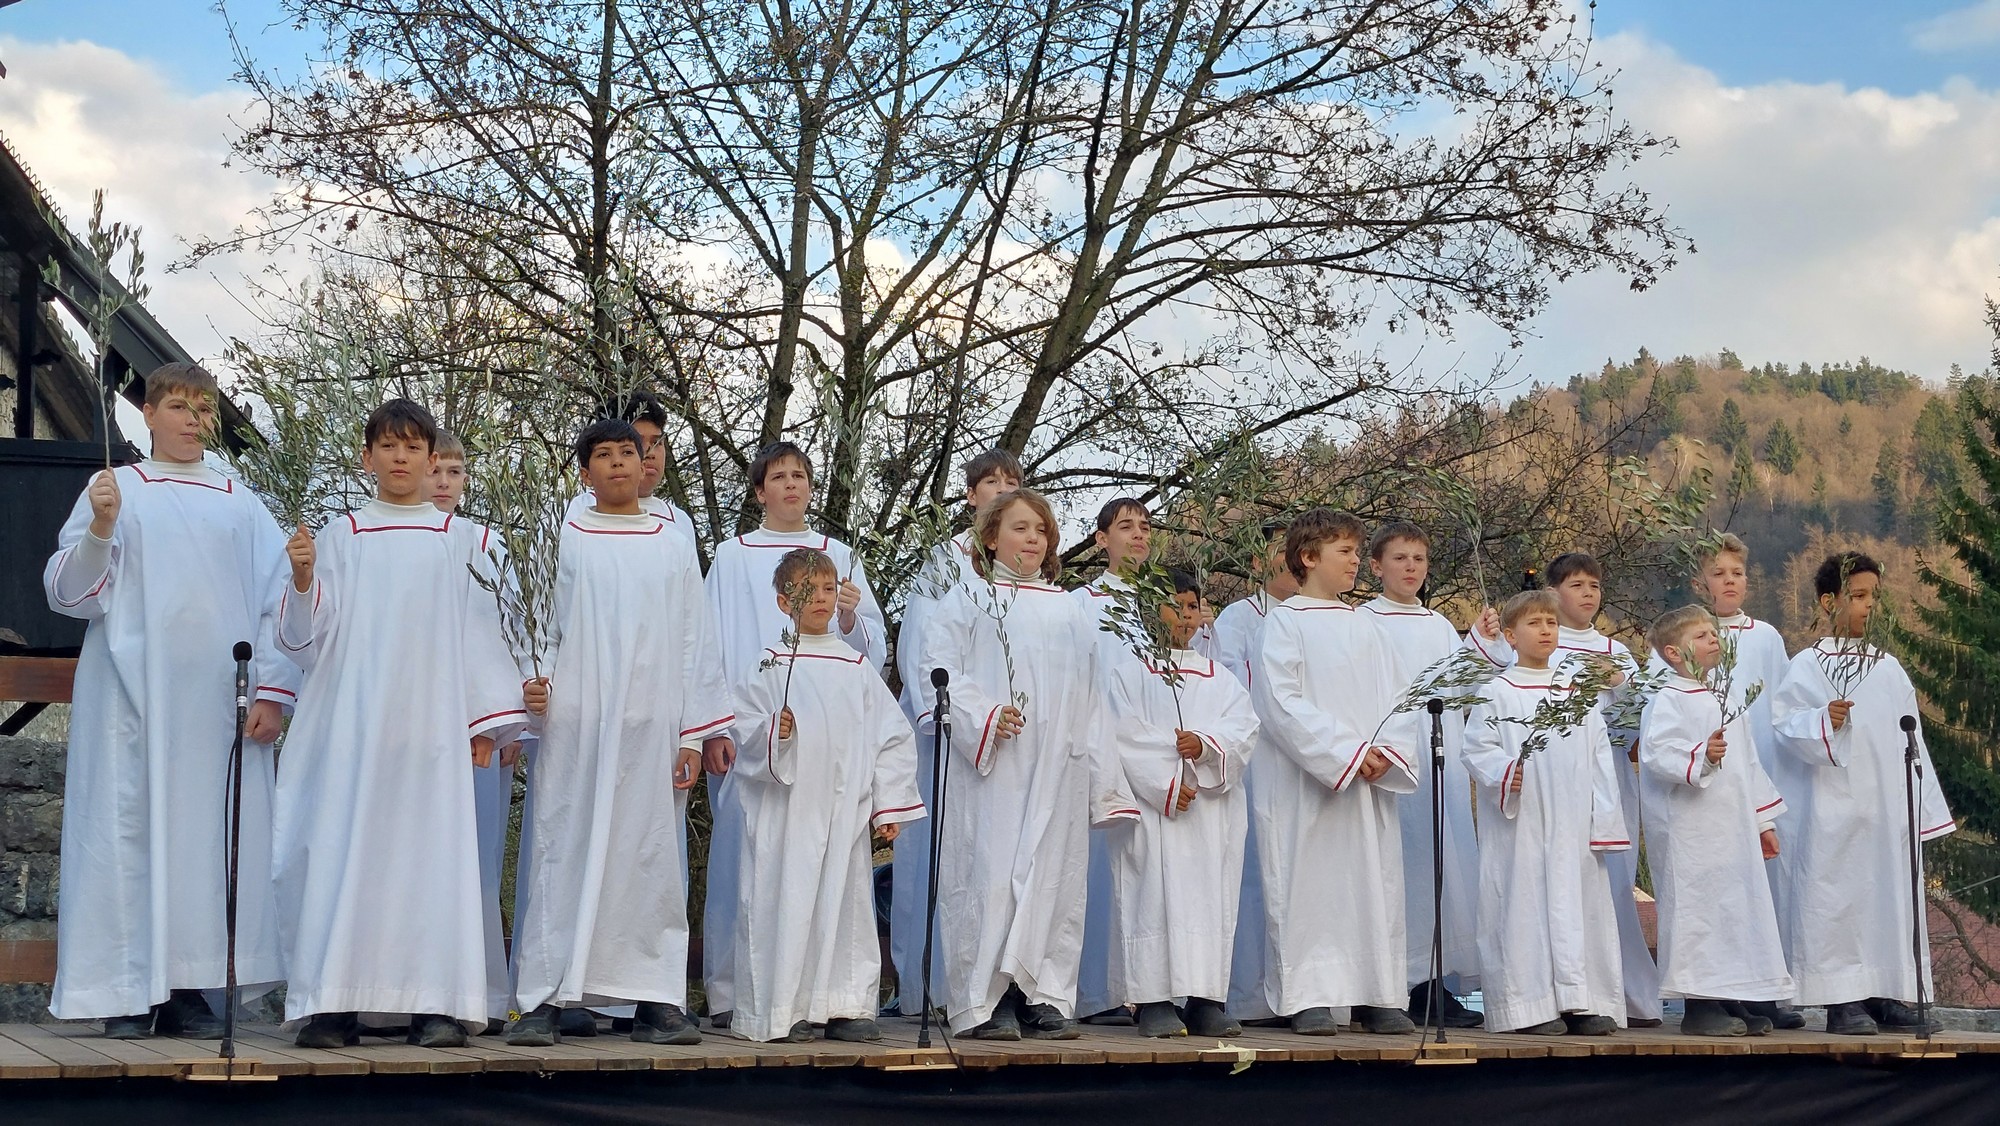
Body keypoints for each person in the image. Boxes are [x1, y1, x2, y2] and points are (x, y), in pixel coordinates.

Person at [42, 362, 298, 1039]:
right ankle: (127, 991)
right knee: (125, 836)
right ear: (149, 414)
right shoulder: (116, 491)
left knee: (204, 843)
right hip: (131, 699)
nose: (193, 420)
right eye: (179, 407)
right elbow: (70, 595)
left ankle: (187, 986)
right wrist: (100, 530)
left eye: (204, 409)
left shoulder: (241, 501)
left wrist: (273, 691)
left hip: (218, 705)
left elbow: (277, 599)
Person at [273, 398, 527, 1049]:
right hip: (353, 729)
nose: (401, 458)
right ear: (367, 458)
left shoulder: (467, 542)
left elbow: (486, 637)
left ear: (431, 457)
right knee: (345, 852)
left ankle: (435, 1002)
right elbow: (303, 643)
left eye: (413, 447)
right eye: (388, 446)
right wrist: (302, 581)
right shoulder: (340, 537)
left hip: (434, 732)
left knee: (431, 862)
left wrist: (484, 724)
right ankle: (334, 1002)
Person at [503, 420, 731, 1047]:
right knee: (563, 847)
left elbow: (695, 638)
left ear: (644, 461)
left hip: (652, 726)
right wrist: (536, 684)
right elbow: (540, 624)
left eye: (628, 452)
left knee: (648, 856)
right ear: (585, 473)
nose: (619, 464)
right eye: (602, 455)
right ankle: (544, 999)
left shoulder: (673, 542)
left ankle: (655, 1000)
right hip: (576, 723)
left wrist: (693, 734)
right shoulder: (562, 538)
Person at [920, 488, 1137, 1039]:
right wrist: (986, 716)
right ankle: (985, 999)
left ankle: (1041, 993)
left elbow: (1092, 697)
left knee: (1052, 878)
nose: (1033, 539)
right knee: (990, 876)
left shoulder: (1069, 610)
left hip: (1058, 768)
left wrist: (1103, 782)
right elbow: (937, 673)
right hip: (996, 768)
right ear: (991, 538)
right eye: (1020, 528)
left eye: (1042, 531)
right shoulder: (969, 600)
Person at [703, 441, 888, 1027]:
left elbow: (870, 652)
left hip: (830, 741)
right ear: (760, 491)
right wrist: (716, 724)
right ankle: (738, 989)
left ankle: (834, 996)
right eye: (778, 476)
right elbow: (710, 641)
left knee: (835, 868)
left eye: (800, 475)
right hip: (757, 728)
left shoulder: (839, 555)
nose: (790, 484)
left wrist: (851, 615)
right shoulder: (732, 556)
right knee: (748, 860)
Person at [732, 548, 925, 1042]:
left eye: (826, 588)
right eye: (806, 589)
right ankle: (784, 1008)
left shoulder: (856, 666)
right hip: (787, 812)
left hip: (843, 812)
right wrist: (775, 732)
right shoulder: (769, 664)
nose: (819, 598)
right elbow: (744, 729)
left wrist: (888, 803)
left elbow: (891, 736)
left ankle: (846, 1004)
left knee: (846, 906)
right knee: (785, 900)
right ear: (784, 602)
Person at [1770, 552, 1954, 1036]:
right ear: (1828, 602)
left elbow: (1910, 737)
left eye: (1874, 596)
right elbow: (1784, 727)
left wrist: (1920, 810)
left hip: (1884, 810)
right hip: (1829, 810)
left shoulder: (1889, 668)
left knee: (1886, 901)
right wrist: (1822, 721)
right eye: (1857, 596)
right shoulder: (1808, 665)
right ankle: (1842, 1000)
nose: (1869, 605)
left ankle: (1884, 993)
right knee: (1834, 900)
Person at [1249, 508, 1417, 1035]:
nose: (1355, 562)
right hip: (1308, 785)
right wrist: (1347, 752)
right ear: (1308, 556)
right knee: (1308, 884)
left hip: (1368, 783)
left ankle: (1376, 993)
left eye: (1356, 551)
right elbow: (1280, 701)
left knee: (1373, 884)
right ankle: (1308, 996)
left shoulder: (1367, 625)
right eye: (1344, 551)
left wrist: (1388, 751)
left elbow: (1402, 698)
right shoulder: (1284, 622)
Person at [889, 447, 1022, 1017]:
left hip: (1008, 736)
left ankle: (1001, 984)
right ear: (971, 496)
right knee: (937, 854)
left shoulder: (1028, 568)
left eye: (1012, 482)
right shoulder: (947, 559)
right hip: (948, 731)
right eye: (992, 483)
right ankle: (930, 987)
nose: (1002, 491)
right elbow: (921, 639)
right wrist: (943, 714)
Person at [1460, 590, 1626, 1036]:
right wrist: (1504, 773)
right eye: (1534, 623)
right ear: (1511, 636)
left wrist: (1604, 820)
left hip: (1573, 824)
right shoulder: (1497, 691)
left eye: (1551, 622)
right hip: (1524, 823)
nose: (1546, 630)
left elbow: (1600, 757)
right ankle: (1528, 1007)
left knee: (1579, 907)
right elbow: (1476, 748)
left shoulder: (1577, 693)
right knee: (1524, 907)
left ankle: (1581, 1001)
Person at [1105, 569, 1259, 1038]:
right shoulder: (1130, 673)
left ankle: (1206, 999)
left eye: (1192, 606)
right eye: (1175, 606)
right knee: (1151, 894)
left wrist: (1207, 746)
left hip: (1211, 813)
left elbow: (1244, 729)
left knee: (1211, 898)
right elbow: (1121, 734)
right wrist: (1168, 781)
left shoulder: (1221, 678)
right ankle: (1152, 1000)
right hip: (1156, 812)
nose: (1185, 616)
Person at [1639, 606, 1792, 1037]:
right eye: (1702, 635)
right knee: (1698, 910)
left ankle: (1729, 994)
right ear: (1673, 652)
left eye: (1714, 633)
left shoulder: (1725, 697)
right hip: (1691, 830)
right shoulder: (1668, 699)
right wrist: (1700, 757)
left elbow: (1749, 763)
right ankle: (1699, 1004)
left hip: (1731, 827)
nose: (1713, 640)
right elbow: (1656, 753)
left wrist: (1763, 821)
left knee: (1734, 907)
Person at [1361, 522, 1483, 1029]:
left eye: (1419, 559)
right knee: (1399, 867)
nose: (1411, 568)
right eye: (1400, 558)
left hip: (1439, 760)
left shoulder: (1438, 625)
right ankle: (1393, 982)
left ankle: (1433, 981)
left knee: (1440, 864)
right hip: (1393, 760)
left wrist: (1483, 646)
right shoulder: (1363, 621)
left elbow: (1462, 687)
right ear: (1376, 566)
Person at [425, 429, 524, 1031]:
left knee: (477, 860)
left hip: (476, 730)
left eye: (455, 472)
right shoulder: (385, 536)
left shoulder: (486, 544)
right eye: (436, 469)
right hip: (412, 726)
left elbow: (508, 635)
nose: (443, 482)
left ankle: (479, 994)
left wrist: (508, 726)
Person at [1693, 534, 1804, 1030]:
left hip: (1758, 777)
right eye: (1718, 573)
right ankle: (1721, 994)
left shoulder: (1767, 638)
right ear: (1700, 582)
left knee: (1764, 888)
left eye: (1736, 573)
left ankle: (1764, 992)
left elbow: (1783, 707)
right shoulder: (1688, 634)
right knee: (1720, 887)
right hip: (1708, 779)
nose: (1729, 581)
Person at [1546, 551, 1661, 1027]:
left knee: (1615, 884)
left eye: (1594, 585)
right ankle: (1568, 994)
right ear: (1553, 593)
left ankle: (1629, 995)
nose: (1588, 594)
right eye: (1576, 585)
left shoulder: (1617, 652)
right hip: (1559, 781)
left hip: (1611, 779)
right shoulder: (1542, 644)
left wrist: (1622, 686)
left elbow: (1644, 722)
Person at [1071, 496, 1156, 1024]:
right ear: (1102, 540)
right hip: (1105, 752)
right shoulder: (1082, 604)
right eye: (1126, 527)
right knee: (1100, 872)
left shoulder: (1166, 601)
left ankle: (1153, 989)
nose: (1139, 535)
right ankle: (1096, 993)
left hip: (1159, 757)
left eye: (1145, 526)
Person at [1211, 519, 1294, 1025]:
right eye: (1280, 550)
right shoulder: (1238, 618)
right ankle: (1249, 995)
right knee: (1255, 875)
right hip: (1257, 759)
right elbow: (1225, 688)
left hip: (1307, 765)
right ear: (1259, 561)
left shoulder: (1325, 617)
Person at [561, 389, 698, 548]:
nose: (650, 453)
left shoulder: (680, 521)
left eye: (656, 442)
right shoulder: (578, 510)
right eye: (638, 443)